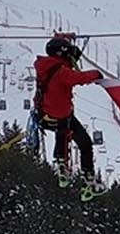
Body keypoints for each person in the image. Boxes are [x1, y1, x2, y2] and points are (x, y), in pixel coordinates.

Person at [34, 34, 105, 185]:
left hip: (44, 114)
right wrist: (96, 74)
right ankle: (88, 176)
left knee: (63, 129)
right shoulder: (62, 72)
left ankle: (61, 161)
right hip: (62, 114)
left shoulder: (45, 67)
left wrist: (63, 38)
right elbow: (79, 78)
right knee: (84, 142)